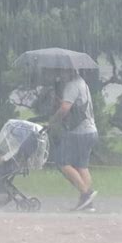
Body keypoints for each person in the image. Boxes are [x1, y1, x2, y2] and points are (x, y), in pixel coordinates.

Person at [49, 69, 99, 211]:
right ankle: (87, 204)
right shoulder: (82, 83)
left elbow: (65, 108)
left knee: (62, 162)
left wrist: (53, 121)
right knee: (82, 166)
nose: (61, 74)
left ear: (70, 71)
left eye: (63, 71)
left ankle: (86, 194)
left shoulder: (72, 85)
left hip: (79, 132)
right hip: (91, 131)